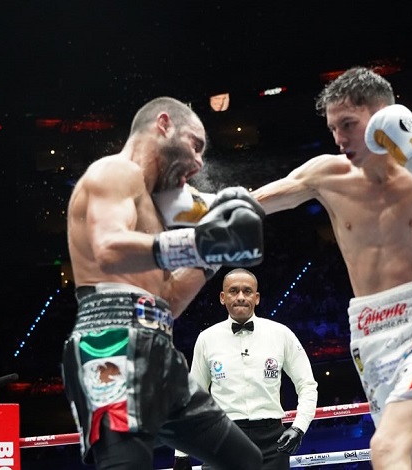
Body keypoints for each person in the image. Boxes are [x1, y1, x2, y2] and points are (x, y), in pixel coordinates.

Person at [251, 67, 412, 469]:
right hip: (369, 336)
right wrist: (189, 213)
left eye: (348, 124)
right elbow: (254, 203)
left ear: (384, 115)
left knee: (386, 447)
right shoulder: (326, 174)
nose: (339, 139)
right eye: (333, 128)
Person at [61, 96, 266, 470]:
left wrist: (213, 254)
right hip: (110, 342)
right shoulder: (115, 171)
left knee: (247, 461)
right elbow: (108, 249)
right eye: (195, 145)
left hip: (161, 349)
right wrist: (199, 242)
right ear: (164, 124)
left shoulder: (156, 211)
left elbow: (168, 301)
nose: (199, 162)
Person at [174, 268, 318, 470]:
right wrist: (181, 453)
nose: (241, 297)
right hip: (222, 438)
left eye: (247, 291)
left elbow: (307, 385)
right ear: (223, 297)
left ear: (256, 298)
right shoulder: (207, 338)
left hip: (272, 441)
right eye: (233, 291)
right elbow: (192, 397)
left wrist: (299, 427)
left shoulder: (281, 334)